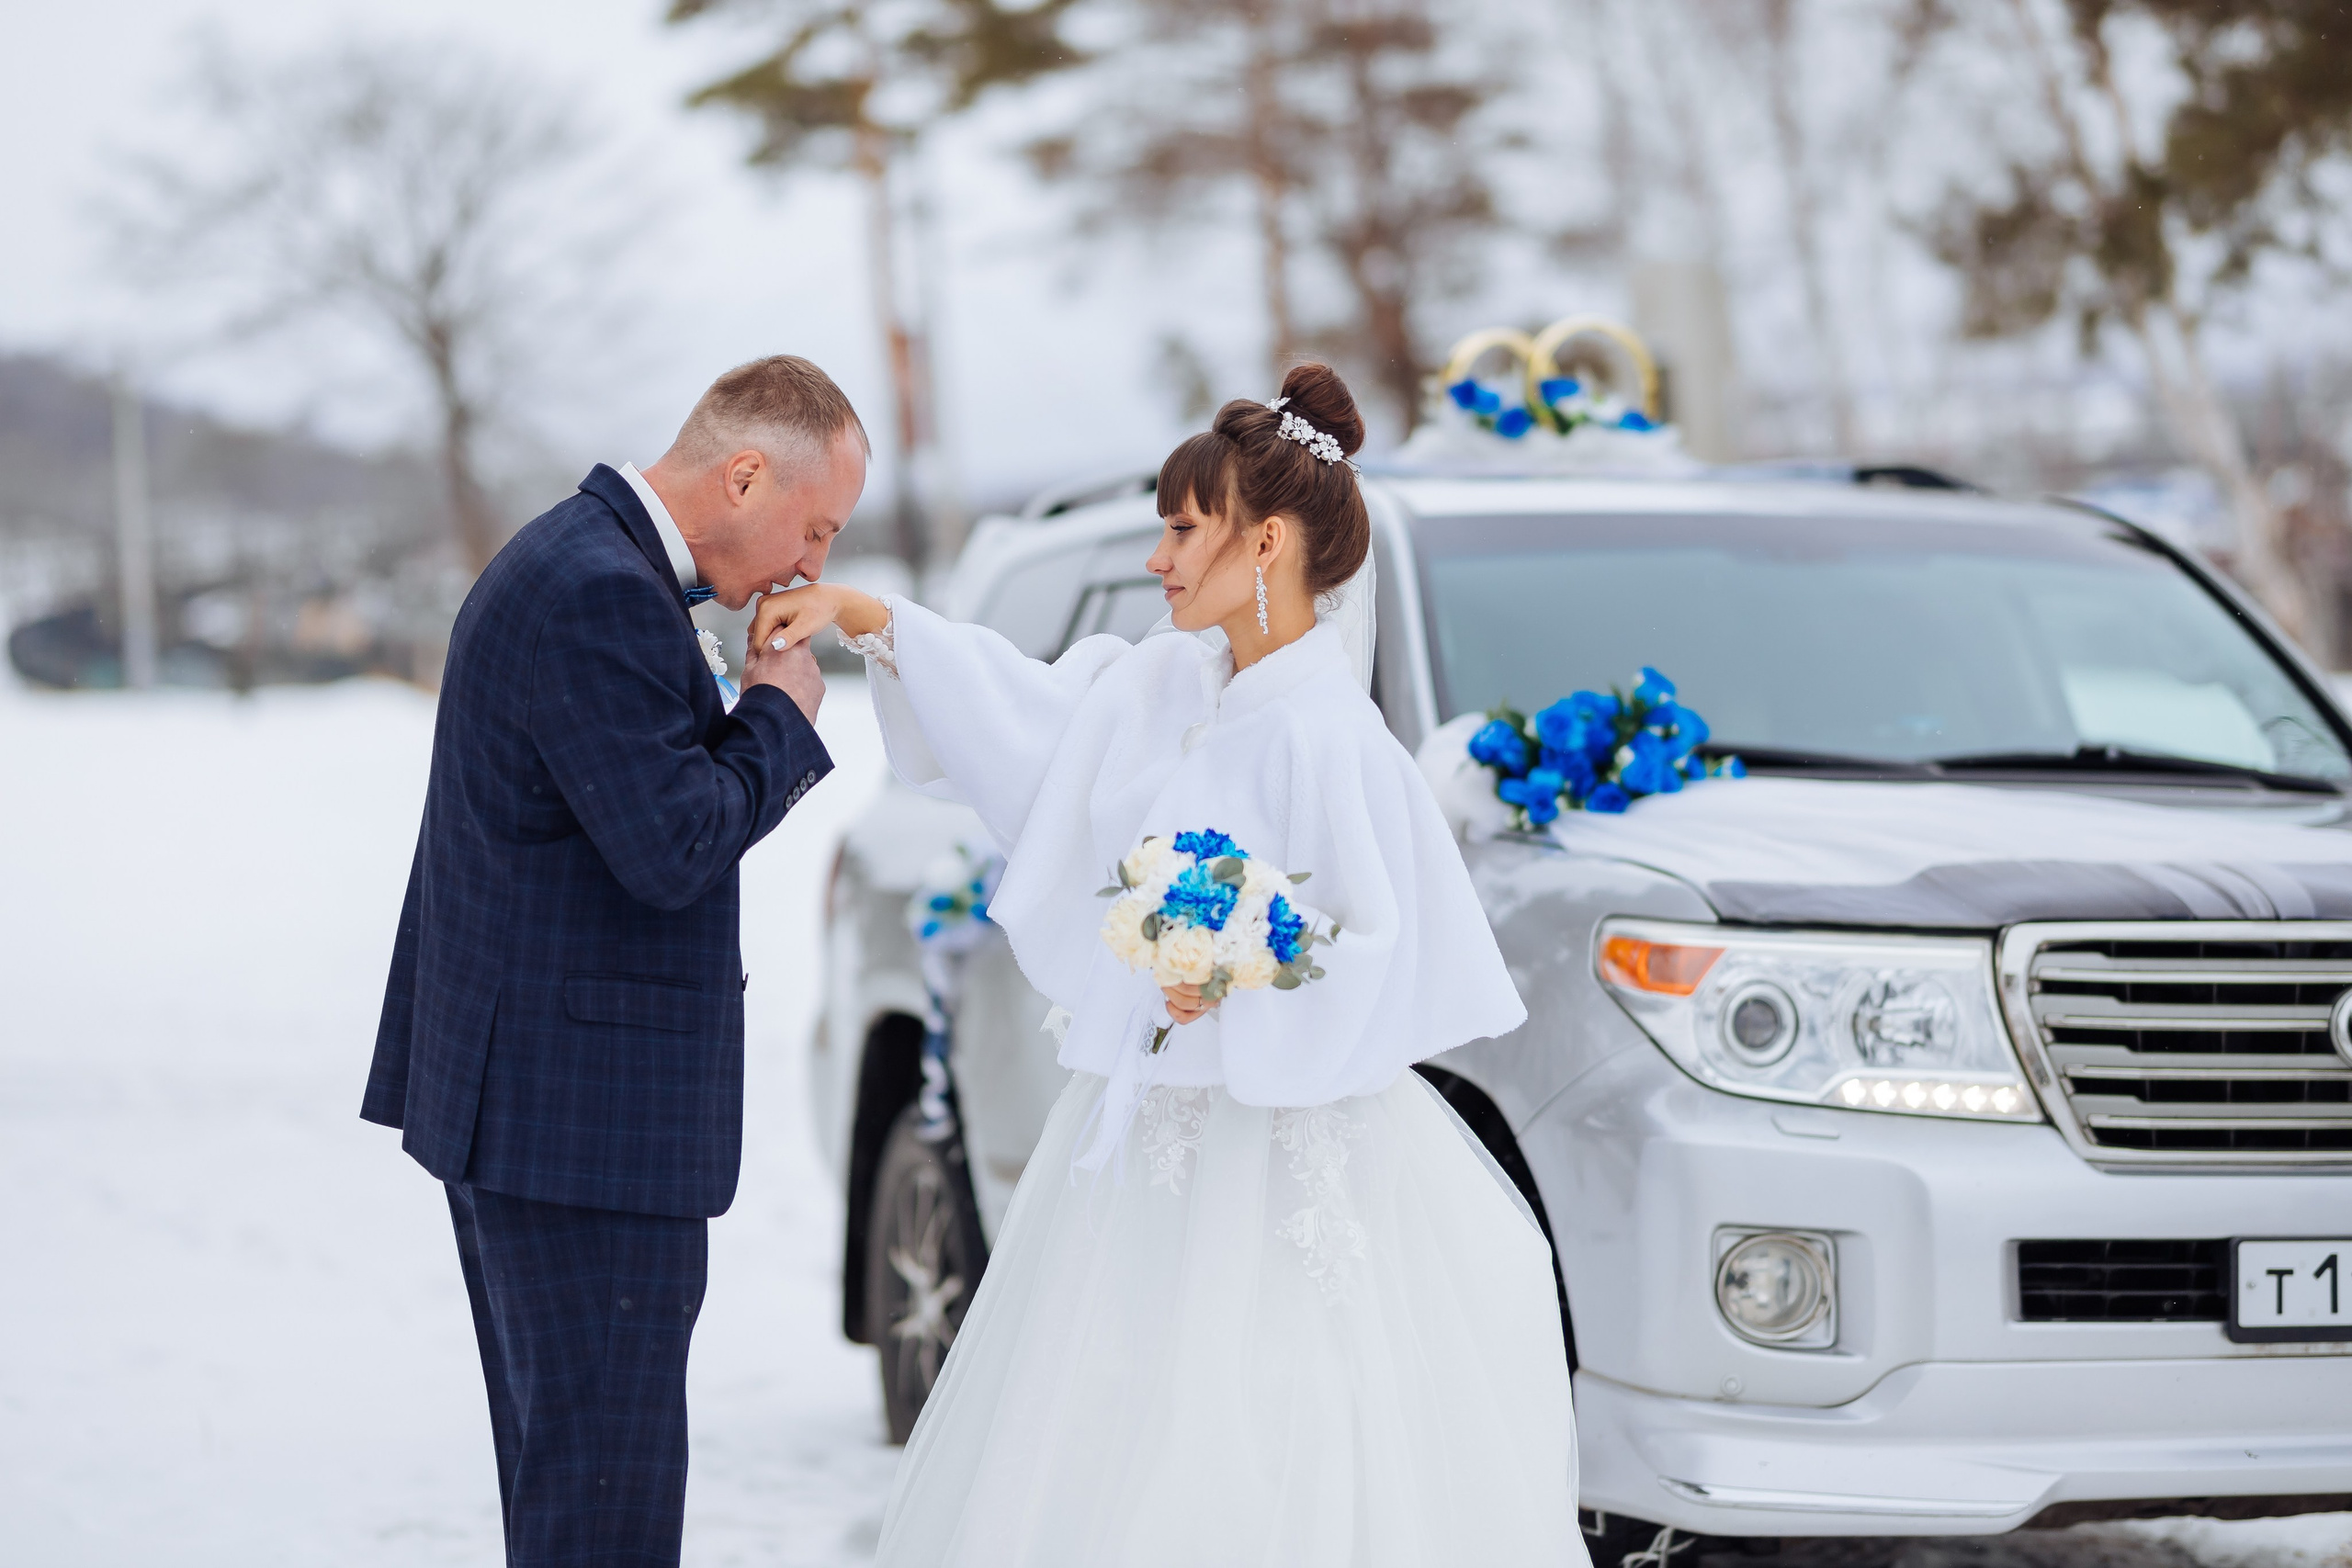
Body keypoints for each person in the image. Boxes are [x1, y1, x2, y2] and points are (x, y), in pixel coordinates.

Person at [755, 363, 1586, 1566]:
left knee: (1276, 1432)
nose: (1160, 558)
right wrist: (872, 619)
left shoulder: (1332, 740)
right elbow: (1031, 737)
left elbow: (1380, 952)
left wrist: (1252, 957)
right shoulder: (1160, 685)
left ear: (1270, 541)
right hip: (1145, 1153)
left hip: (1283, 1158)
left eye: (1184, 529)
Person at [360, 355, 864, 1567]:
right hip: (579, 1136)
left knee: (571, 1499)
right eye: (815, 526)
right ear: (744, 475)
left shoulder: (588, 564)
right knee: (604, 1514)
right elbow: (674, 842)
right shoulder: (598, 592)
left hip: (542, 1115)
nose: (811, 563)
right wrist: (779, 713)